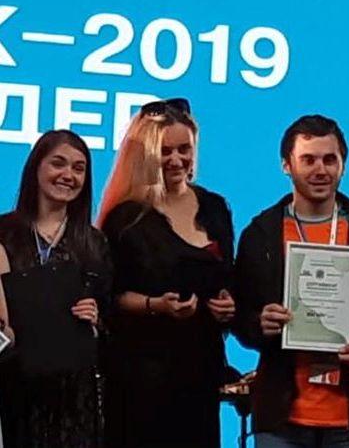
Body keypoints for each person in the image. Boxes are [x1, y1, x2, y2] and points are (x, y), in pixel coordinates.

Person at [233, 114, 349, 448]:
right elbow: (239, 315)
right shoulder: (260, 235)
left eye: (329, 159)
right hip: (279, 418)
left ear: (343, 165)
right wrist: (258, 323)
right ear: (286, 165)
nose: (320, 170)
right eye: (308, 160)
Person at [98, 98, 235, 448]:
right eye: (165, 151)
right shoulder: (127, 219)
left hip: (200, 374)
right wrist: (155, 305)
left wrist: (228, 305)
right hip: (141, 378)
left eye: (184, 149)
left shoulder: (215, 208)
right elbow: (109, 297)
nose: (176, 160)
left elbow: (230, 279)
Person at [0, 130, 112, 448]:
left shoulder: (94, 243)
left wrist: (96, 321)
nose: (68, 175)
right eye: (58, 163)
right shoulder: (4, 232)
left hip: (74, 397)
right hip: (12, 387)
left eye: (79, 168)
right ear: (36, 167)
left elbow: (112, 322)